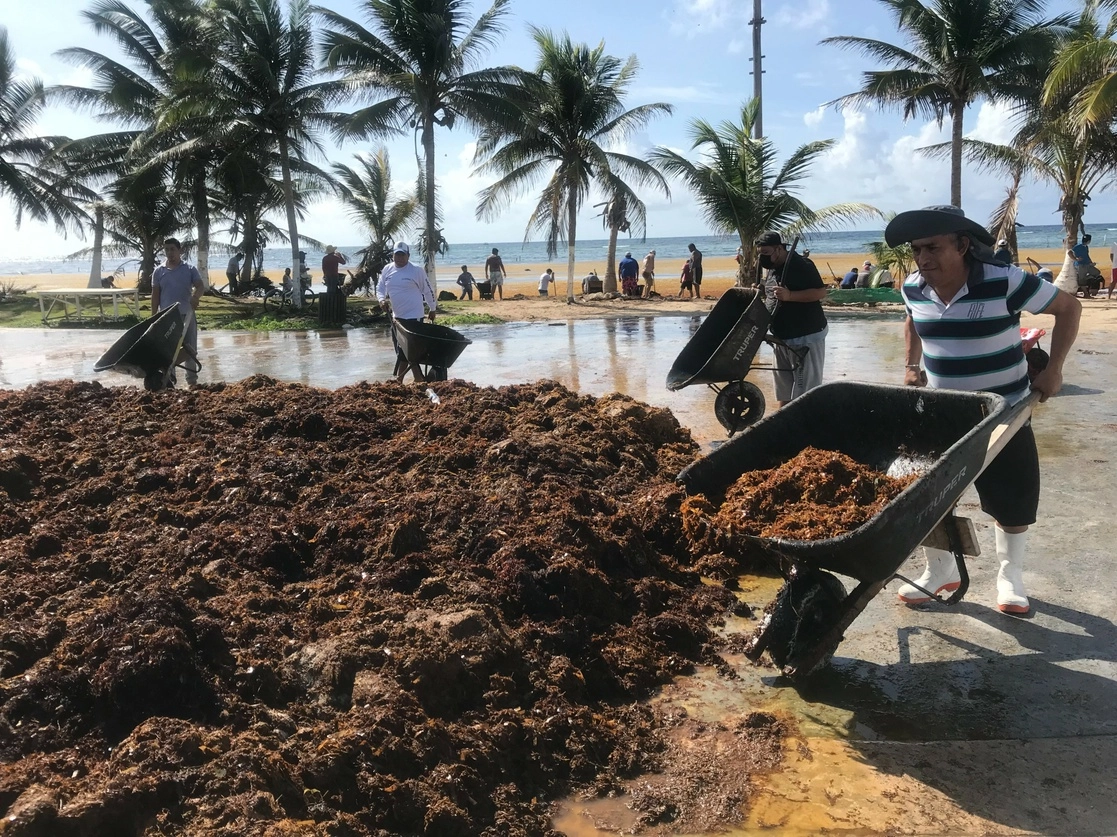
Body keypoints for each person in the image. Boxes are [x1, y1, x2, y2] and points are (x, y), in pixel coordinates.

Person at [885, 204, 1081, 616]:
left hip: (1005, 412)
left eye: (932, 247)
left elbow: (1068, 308)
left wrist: (1055, 370)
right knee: (922, 494)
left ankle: (1010, 576)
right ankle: (939, 570)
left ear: (962, 245)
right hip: (942, 413)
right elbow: (911, 320)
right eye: (917, 249)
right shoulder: (913, 286)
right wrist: (910, 366)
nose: (922, 259)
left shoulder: (1005, 281)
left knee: (1011, 498)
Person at [756, 232, 829, 407]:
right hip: (781, 337)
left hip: (806, 335)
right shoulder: (773, 266)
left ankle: (805, 429)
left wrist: (790, 295)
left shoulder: (801, 265)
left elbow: (820, 292)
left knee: (806, 393)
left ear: (779, 248)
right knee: (784, 390)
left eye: (765, 253)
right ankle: (781, 426)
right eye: (760, 253)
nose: (762, 258)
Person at [377, 242, 437, 384]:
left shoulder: (416, 271)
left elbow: (428, 290)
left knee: (407, 351)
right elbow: (380, 288)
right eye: (397, 255)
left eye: (402, 255)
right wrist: (381, 300)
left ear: (408, 256)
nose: (399, 258)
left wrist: (432, 308)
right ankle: (412, 379)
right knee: (401, 350)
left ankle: (407, 379)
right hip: (396, 318)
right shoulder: (387, 269)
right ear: (393, 255)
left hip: (414, 317)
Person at [151, 237, 206, 387]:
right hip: (167, 317)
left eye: (173, 249)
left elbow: (200, 286)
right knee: (169, 351)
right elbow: (155, 295)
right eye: (167, 249)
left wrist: (196, 296)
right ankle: (170, 381)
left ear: (180, 251)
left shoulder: (189, 269)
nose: (170, 253)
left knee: (190, 349)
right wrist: (153, 317)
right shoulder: (159, 271)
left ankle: (192, 382)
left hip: (186, 315)